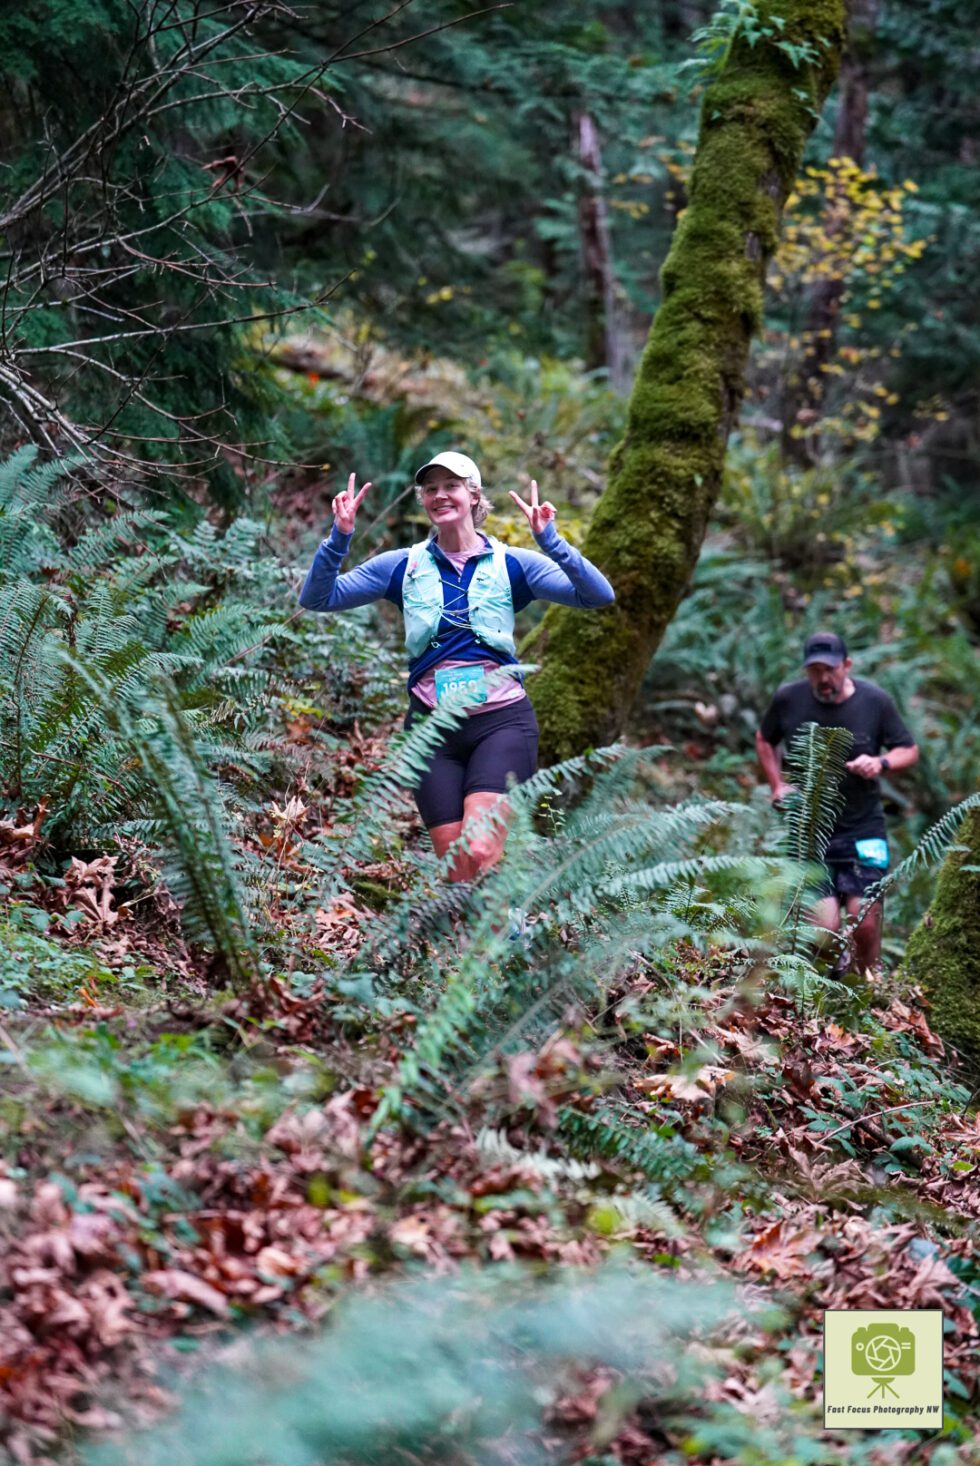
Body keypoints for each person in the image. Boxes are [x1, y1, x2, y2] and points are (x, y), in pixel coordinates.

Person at [298, 450, 615, 881]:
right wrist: (340, 536)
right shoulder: (402, 566)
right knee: (458, 871)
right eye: (431, 488)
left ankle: (508, 929)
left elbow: (598, 595)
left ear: (473, 495)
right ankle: (496, 940)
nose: (440, 495)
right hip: (432, 731)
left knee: (481, 848)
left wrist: (551, 541)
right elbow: (317, 598)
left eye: (451, 486)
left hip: (500, 723)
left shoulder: (514, 564)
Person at [755, 630, 919, 974]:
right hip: (809, 830)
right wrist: (776, 785)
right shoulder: (789, 699)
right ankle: (828, 989)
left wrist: (880, 763)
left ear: (847, 665)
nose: (823, 678)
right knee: (824, 930)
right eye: (815, 670)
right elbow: (765, 739)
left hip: (865, 827)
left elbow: (909, 749)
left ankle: (867, 988)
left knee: (865, 922)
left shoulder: (875, 701)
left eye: (830, 669)